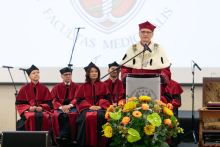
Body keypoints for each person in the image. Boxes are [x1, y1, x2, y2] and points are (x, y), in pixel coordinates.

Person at [120, 21, 171, 104]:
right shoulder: (132, 48)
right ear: (139, 34)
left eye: (148, 32)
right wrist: (125, 75)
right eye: (143, 32)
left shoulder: (159, 48)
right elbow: (125, 67)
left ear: (152, 34)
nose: (145, 34)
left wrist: (164, 76)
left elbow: (165, 69)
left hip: (154, 84)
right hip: (134, 85)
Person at [75, 62, 112, 147]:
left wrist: (100, 106)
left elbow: (108, 100)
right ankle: (86, 143)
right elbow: (79, 101)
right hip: (86, 109)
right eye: (91, 71)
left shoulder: (104, 85)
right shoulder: (82, 86)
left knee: (101, 116)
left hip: (101, 109)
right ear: (88, 73)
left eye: (96, 71)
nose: (94, 73)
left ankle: (102, 143)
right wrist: (90, 106)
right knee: (87, 117)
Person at [16, 65, 53, 131]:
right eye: (34, 73)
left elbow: (50, 103)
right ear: (29, 77)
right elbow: (19, 103)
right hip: (29, 112)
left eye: (38, 72)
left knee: (46, 117)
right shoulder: (24, 89)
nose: (36, 74)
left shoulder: (44, 88)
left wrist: (42, 107)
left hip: (42, 111)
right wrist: (29, 108)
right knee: (30, 117)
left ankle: (45, 139)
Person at [51, 67, 79, 146]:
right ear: (62, 76)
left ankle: (62, 136)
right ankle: (64, 138)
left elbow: (78, 99)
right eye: (66, 75)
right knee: (55, 116)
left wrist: (69, 105)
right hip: (60, 108)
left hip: (73, 107)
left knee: (72, 115)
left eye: (69, 74)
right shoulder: (56, 87)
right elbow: (53, 100)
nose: (68, 76)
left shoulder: (77, 86)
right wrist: (61, 107)